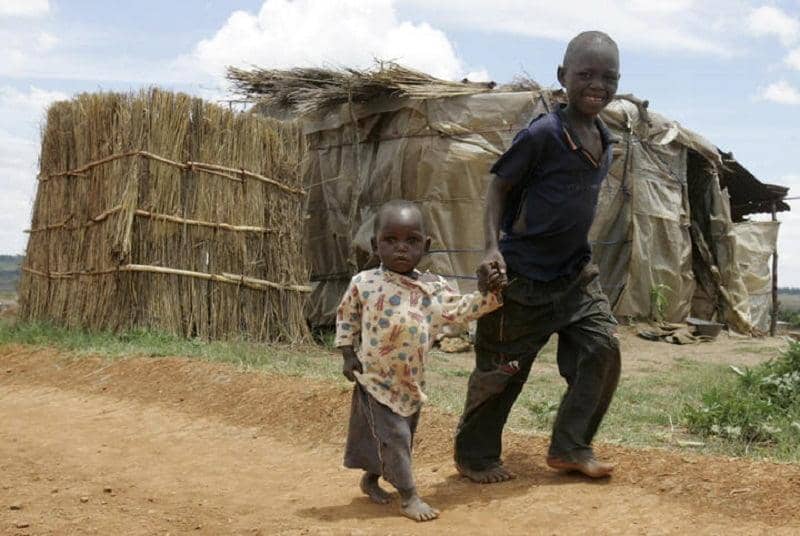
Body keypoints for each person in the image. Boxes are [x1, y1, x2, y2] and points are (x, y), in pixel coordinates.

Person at [454, 30, 623, 483]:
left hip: (575, 274)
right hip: (523, 278)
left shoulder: (606, 140)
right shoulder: (544, 134)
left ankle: (571, 446)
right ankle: (476, 456)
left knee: (602, 348)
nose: (596, 85)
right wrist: (491, 248)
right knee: (502, 371)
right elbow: (498, 186)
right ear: (562, 77)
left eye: (608, 77)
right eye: (585, 74)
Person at [335, 199, 506, 521]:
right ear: (376, 244)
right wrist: (347, 353)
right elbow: (347, 317)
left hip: (411, 382)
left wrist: (488, 293)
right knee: (395, 436)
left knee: (399, 437)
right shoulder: (365, 283)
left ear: (426, 245)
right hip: (374, 379)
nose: (401, 248)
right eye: (391, 240)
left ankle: (371, 477)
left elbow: (461, 309)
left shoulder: (433, 289)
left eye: (411, 241)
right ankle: (409, 496)